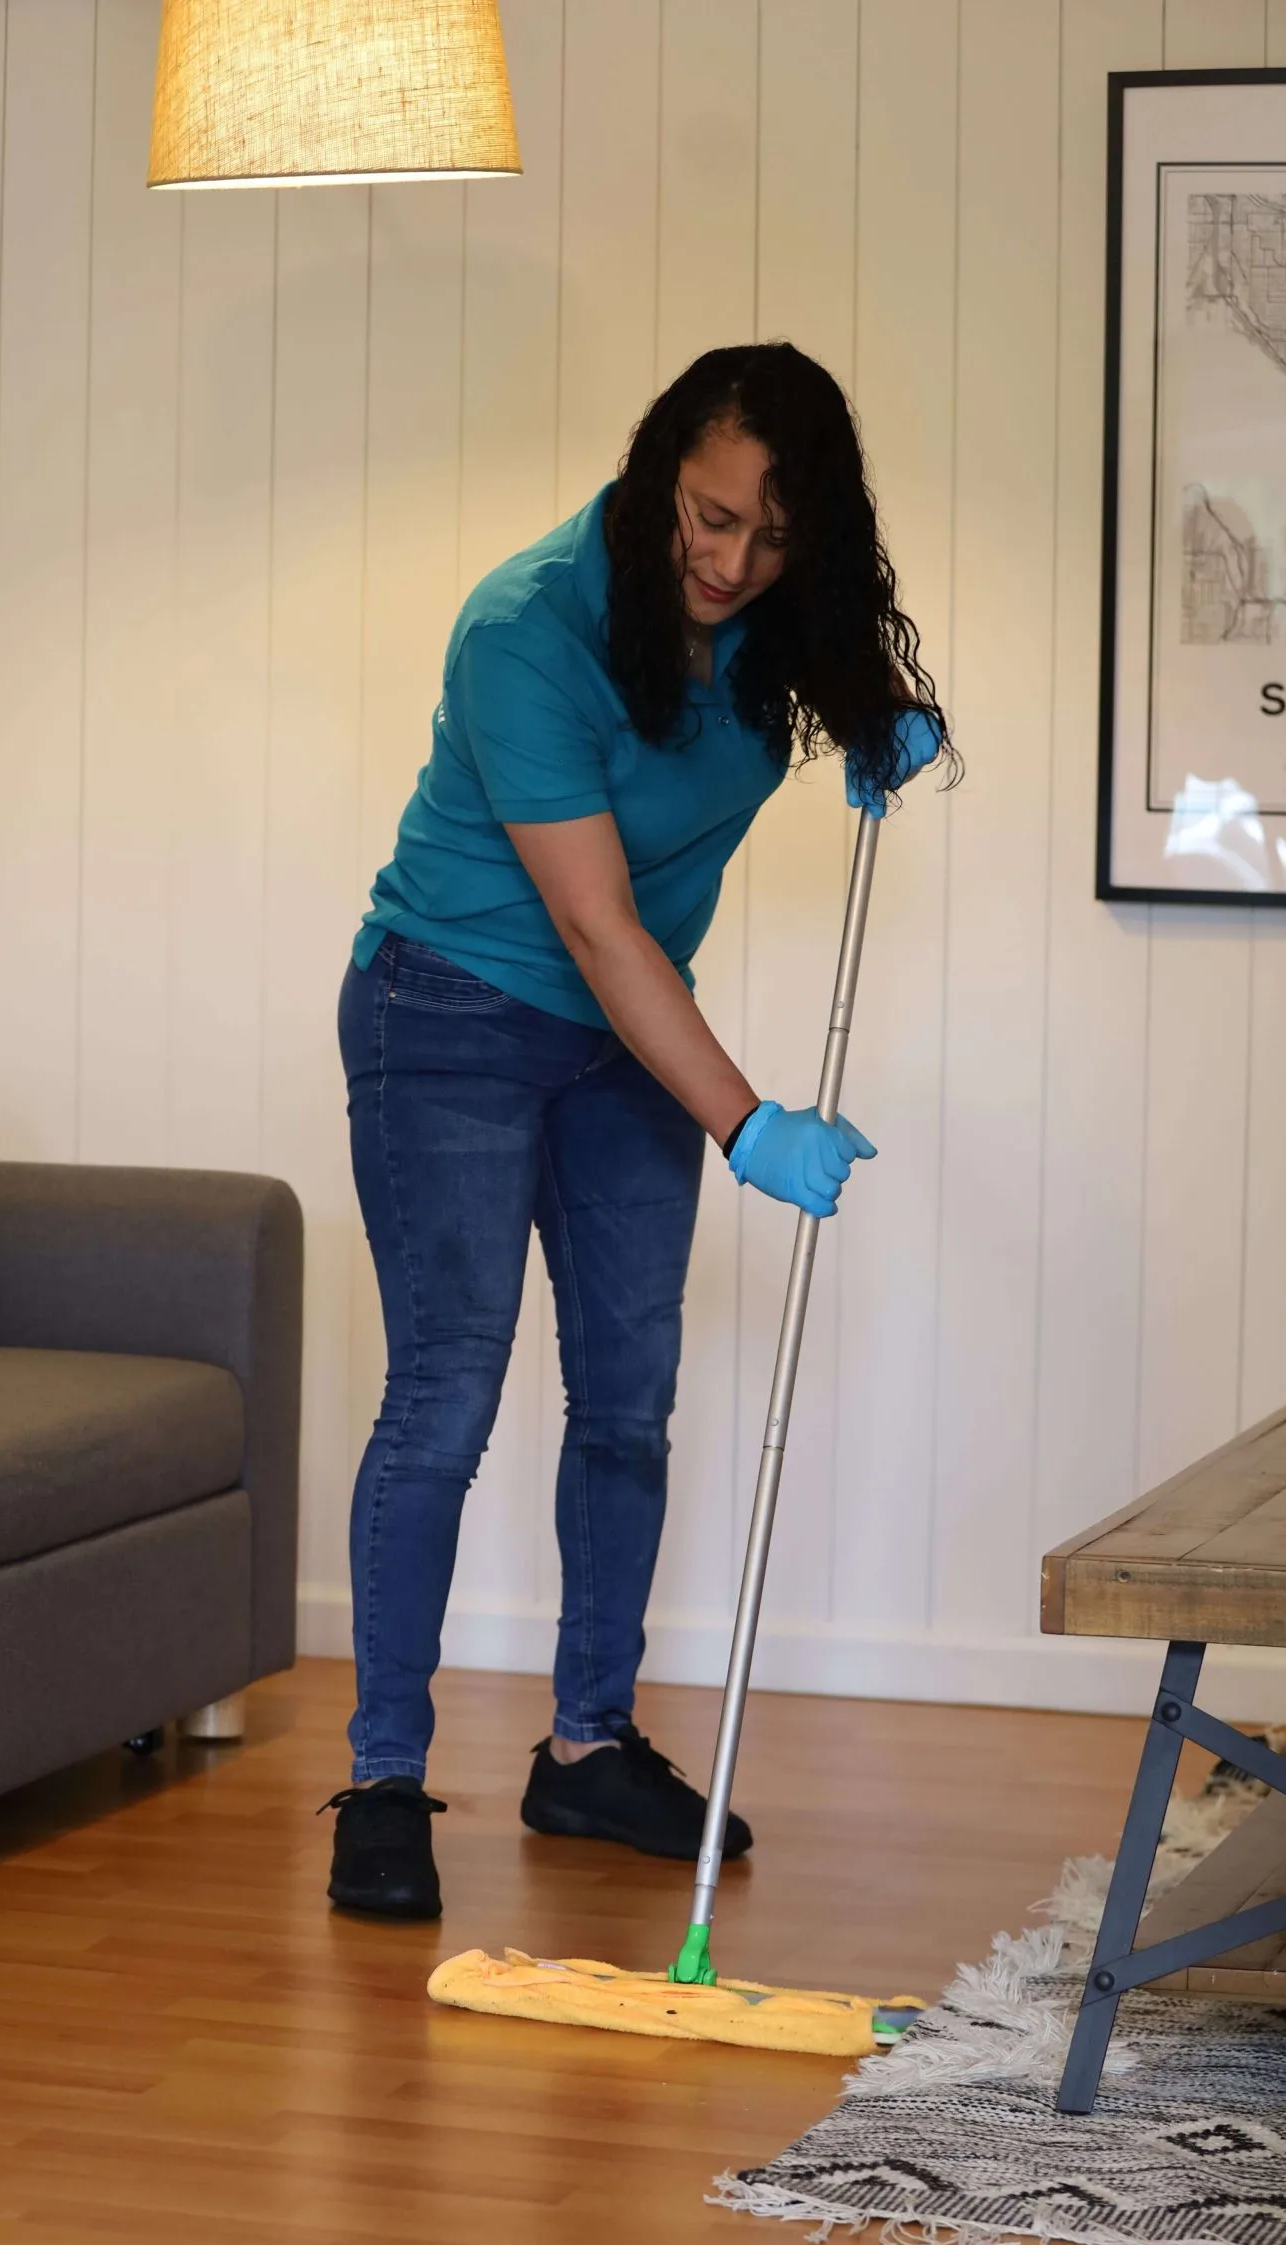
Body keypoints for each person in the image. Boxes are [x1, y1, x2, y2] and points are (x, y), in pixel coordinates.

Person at [324, 341, 951, 1919]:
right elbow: (597, 929)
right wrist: (748, 1128)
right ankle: (383, 1777)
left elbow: (789, 700)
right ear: (655, 470)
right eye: (706, 516)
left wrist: (881, 719)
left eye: (769, 536)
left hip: (624, 1042)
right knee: (446, 1398)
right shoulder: (526, 627)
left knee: (627, 1400)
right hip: (451, 1015)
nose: (729, 563)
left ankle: (586, 1748)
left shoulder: (769, 613)